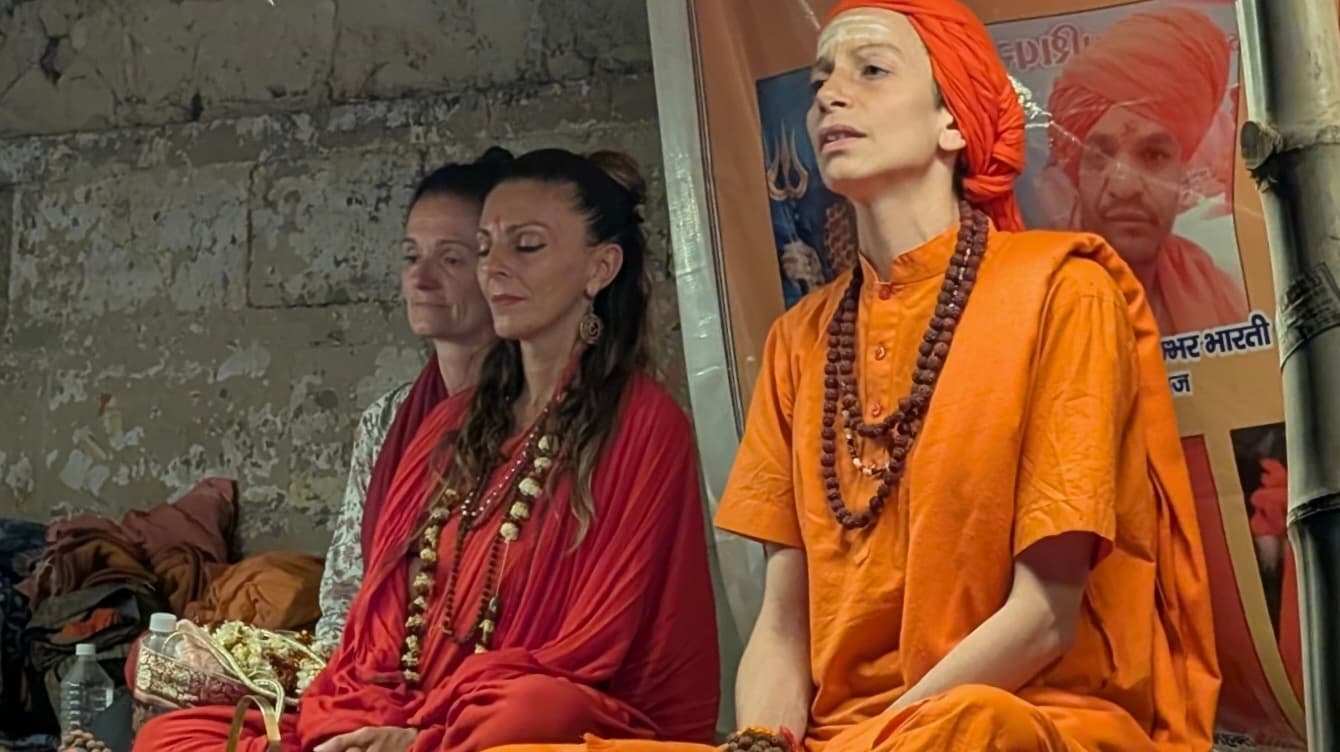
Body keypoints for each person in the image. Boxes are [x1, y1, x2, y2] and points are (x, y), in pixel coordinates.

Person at [712, 2, 1219, 751]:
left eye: (871, 71)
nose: (828, 96)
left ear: (955, 124)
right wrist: (759, 740)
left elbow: (1046, 613)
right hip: (840, 740)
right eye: (821, 80)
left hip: (1017, 715)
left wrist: (881, 740)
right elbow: (783, 624)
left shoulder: (1062, 292)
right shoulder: (798, 342)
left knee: (972, 730)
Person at [131, 148, 720, 752]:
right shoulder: (449, 426)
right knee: (173, 736)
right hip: (404, 707)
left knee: (529, 711)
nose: (495, 269)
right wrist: (366, 718)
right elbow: (375, 632)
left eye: (527, 246)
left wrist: (419, 735)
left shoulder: (645, 425)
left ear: (601, 267)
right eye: (487, 247)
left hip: (523, 716)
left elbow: (592, 645)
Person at [315, 148, 509, 645]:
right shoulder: (387, 419)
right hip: (372, 678)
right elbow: (345, 600)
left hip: (483, 687)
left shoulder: (537, 419)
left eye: (450, 258)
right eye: (410, 256)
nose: (421, 279)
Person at [1043, 7, 1248, 335]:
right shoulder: (1038, 307)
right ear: (1074, 172)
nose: (1124, 186)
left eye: (1153, 155)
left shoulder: (1219, 291)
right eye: (1099, 155)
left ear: (1183, 169)